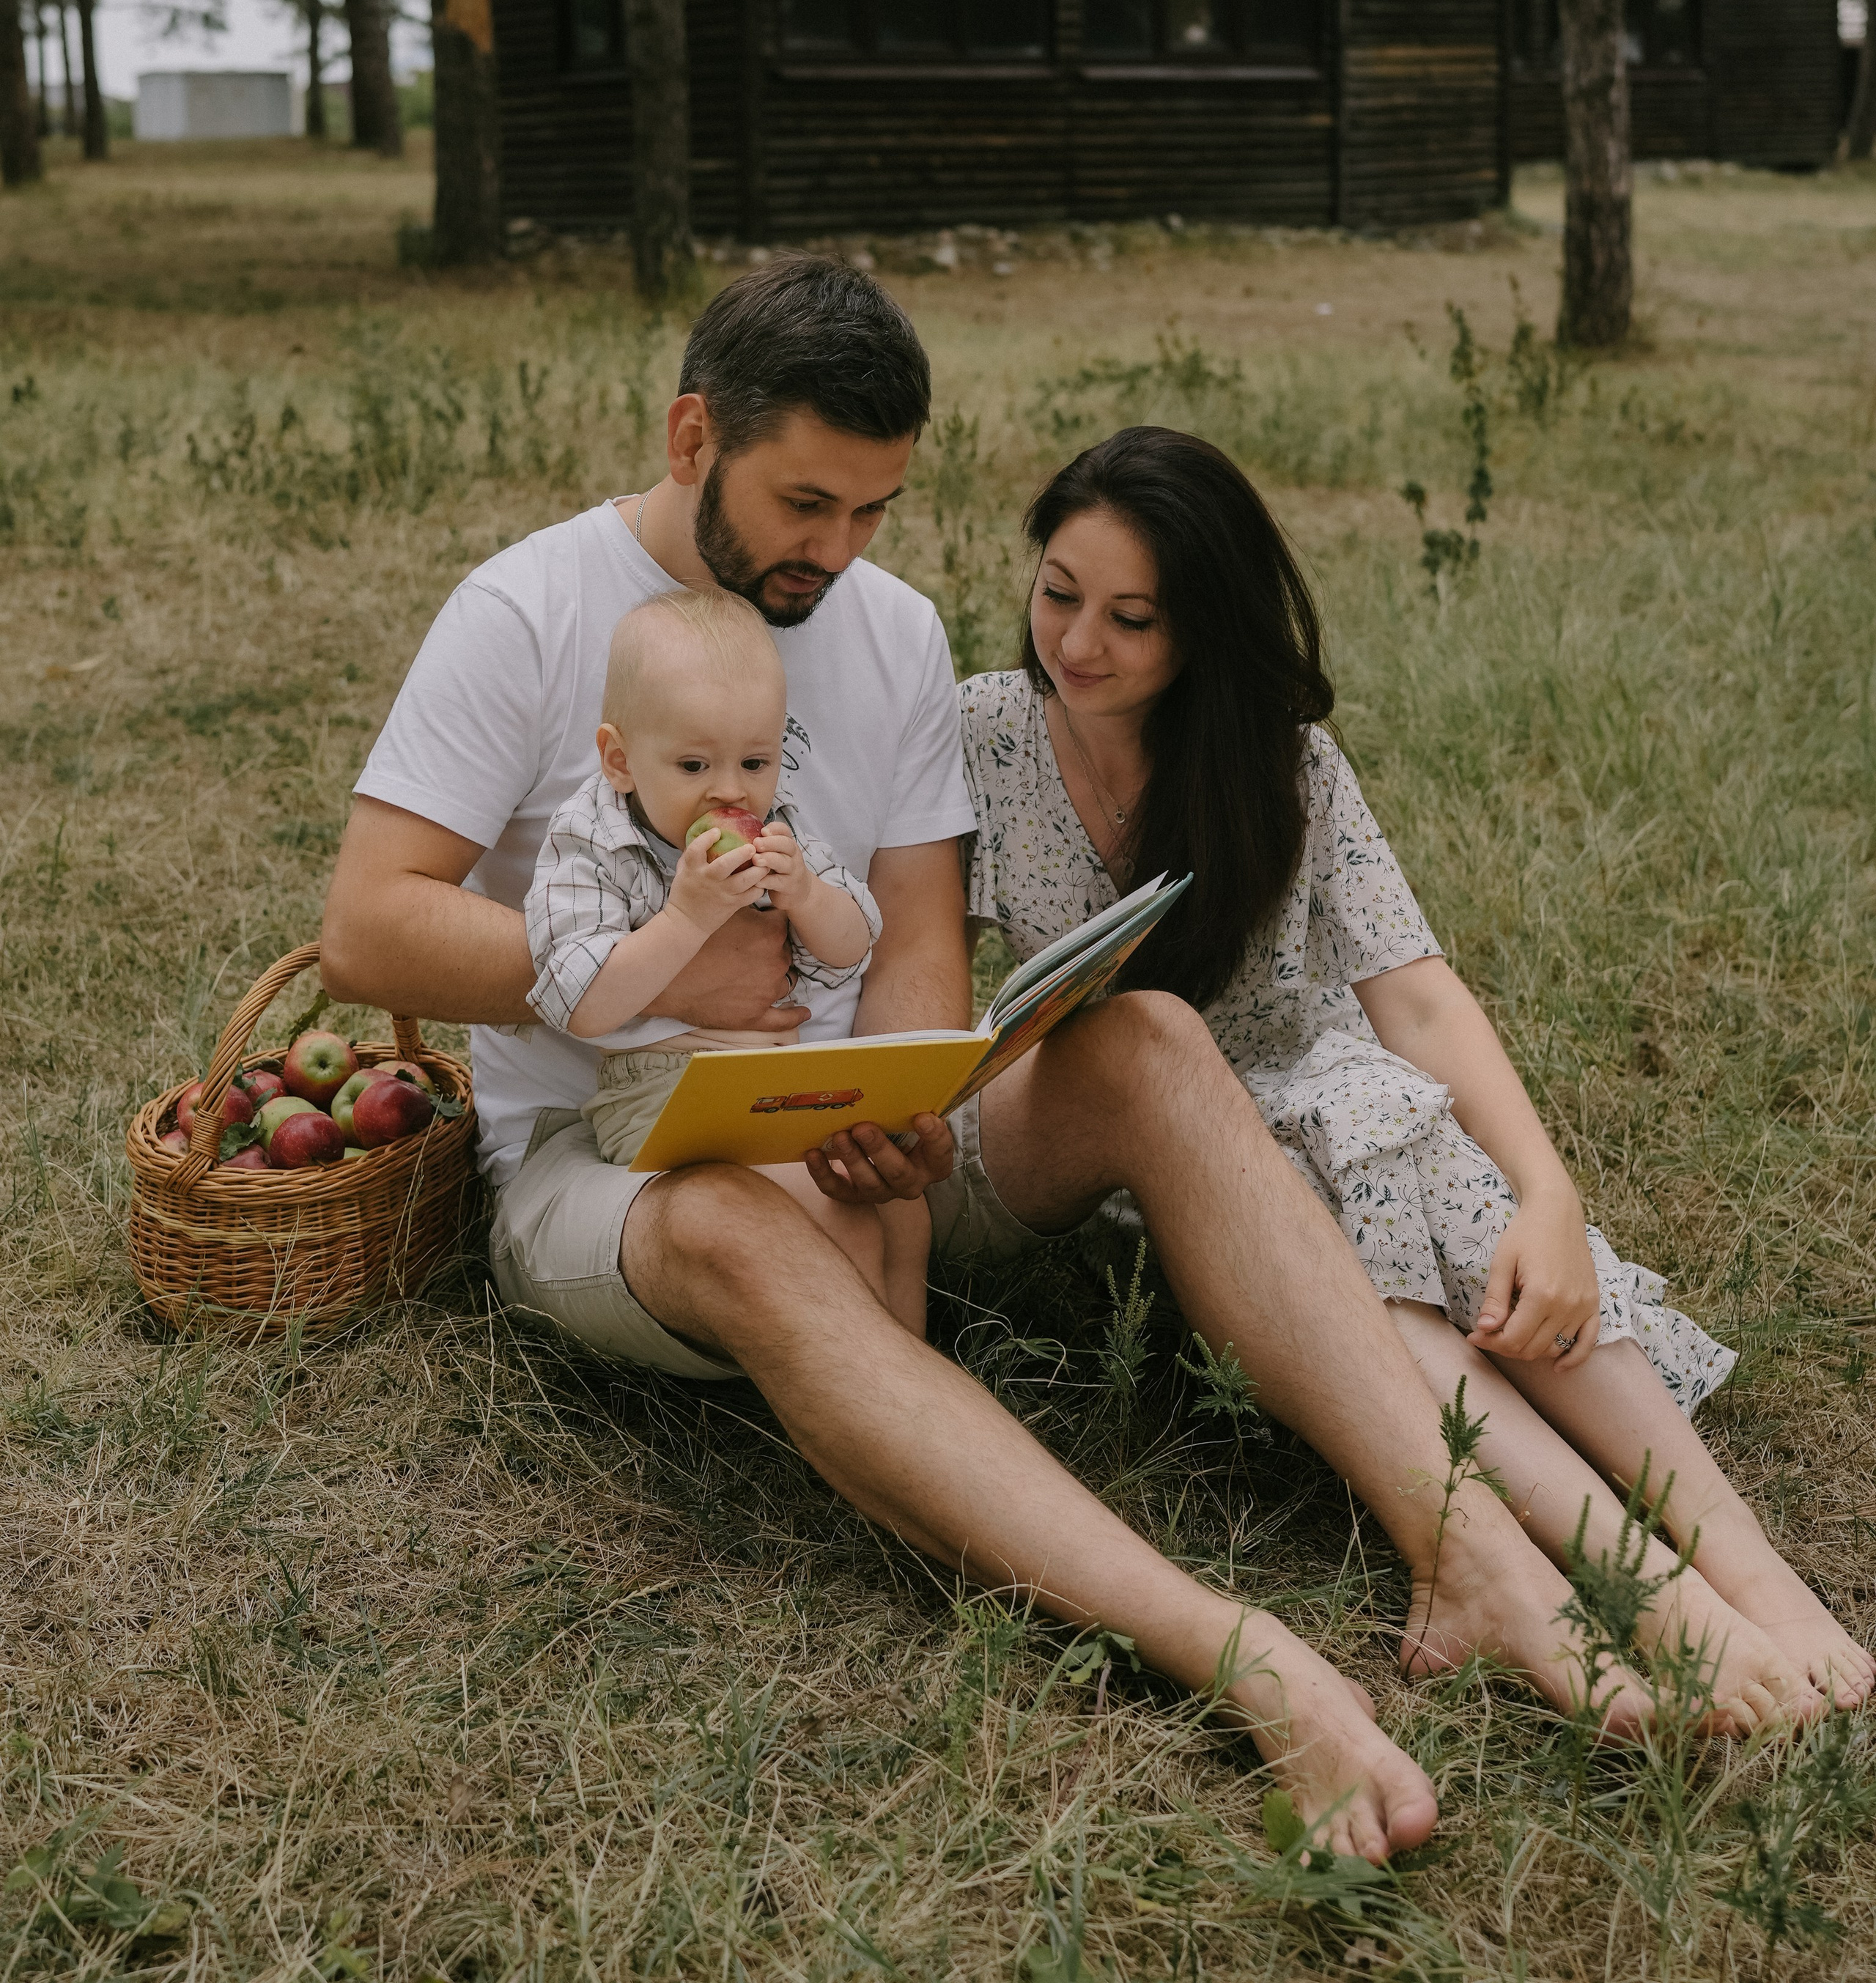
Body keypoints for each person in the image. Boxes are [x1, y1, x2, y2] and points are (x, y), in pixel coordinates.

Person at [324, 256, 1658, 1869]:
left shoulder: (880, 632)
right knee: (736, 1224)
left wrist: (901, 1098)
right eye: (805, 502)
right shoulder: (527, 608)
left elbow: (910, 938)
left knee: (1149, 1036)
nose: (837, 551)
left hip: (852, 1143)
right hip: (615, 1166)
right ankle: (1244, 1657)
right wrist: (645, 958)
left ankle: (1459, 1542)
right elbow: (368, 928)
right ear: (693, 435)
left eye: (874, 509)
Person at [944, 423, 1872, 1724]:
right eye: (1059, 592)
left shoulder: (1282, 761)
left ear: (1204, 629)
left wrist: (1547, 1193)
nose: (1079, 641)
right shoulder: (982, 731)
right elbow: (925, 972)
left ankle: (1756, 1576)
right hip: (1132, 1134)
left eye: (1132, 617)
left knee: (1415, 1149)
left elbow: (1417, 992)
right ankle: (1651, 1586)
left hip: (1323, 1094)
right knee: (1355, 1223)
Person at [519, 584, 926, 1327]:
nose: (731, 790)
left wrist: (807, 894)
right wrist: (685, 916)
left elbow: (851, 945)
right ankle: (868, 1396)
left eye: (755, 760)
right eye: (694, 765)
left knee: (901, 1213)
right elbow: (580, 1001)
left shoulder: (780, 825)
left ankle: (910, 1377)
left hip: (777, 1085)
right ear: (619, 759)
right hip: (664, 1095)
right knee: (830, 1211)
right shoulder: (590, 839)